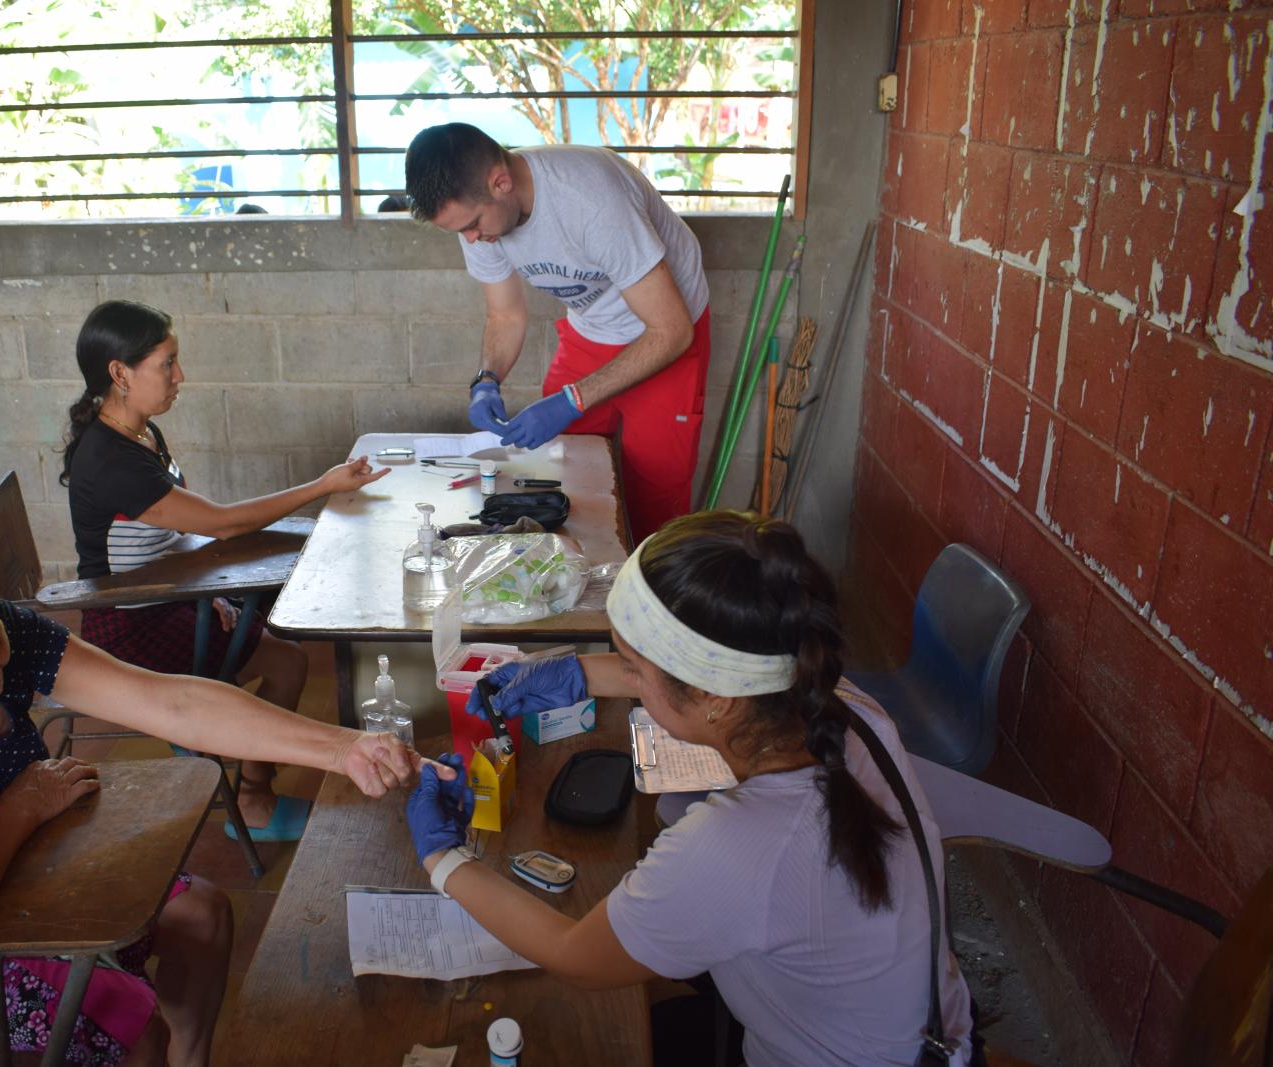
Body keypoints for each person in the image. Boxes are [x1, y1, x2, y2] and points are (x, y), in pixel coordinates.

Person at [0, 500, 431, 1067]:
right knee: (132, 1024)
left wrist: (342, 747)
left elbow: (171, 702)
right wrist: (22, 807)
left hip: (12, 879)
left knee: (201, 916)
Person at [404, 511, 978, 1066]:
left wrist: (441, 857)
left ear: (715, 699)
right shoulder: (845, 708)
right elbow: (690, 685)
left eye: (632, 666)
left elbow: (574, 957)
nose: (623, 675)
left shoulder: (735, 845)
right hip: (925, 1032)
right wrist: (575, 673)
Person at [61, 299, 389, 842]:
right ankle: (249, 796)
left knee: (280, 649)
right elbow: (223, 524)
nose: (180, 376)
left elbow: (177, 531)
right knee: (285, 660)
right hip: (127, 623)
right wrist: (322, 485)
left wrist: (204, 592)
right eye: (167, 363)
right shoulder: (110, 460)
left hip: (162, 595)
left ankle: (237, 770)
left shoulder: (141, 434)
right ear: (120, 373)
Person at [404, 122, 712, 543]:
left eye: (473, 224)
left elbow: (671, 331)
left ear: (500, 182)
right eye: (461, 231)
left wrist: (573, 399)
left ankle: (646, 582)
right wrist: (486, 380)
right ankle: (579, 574)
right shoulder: (477, 219)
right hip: (592, 327)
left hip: (666, 331)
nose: (472, 239)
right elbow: (505, 315)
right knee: (563, 471)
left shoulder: (591, 201)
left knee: (654, 493)